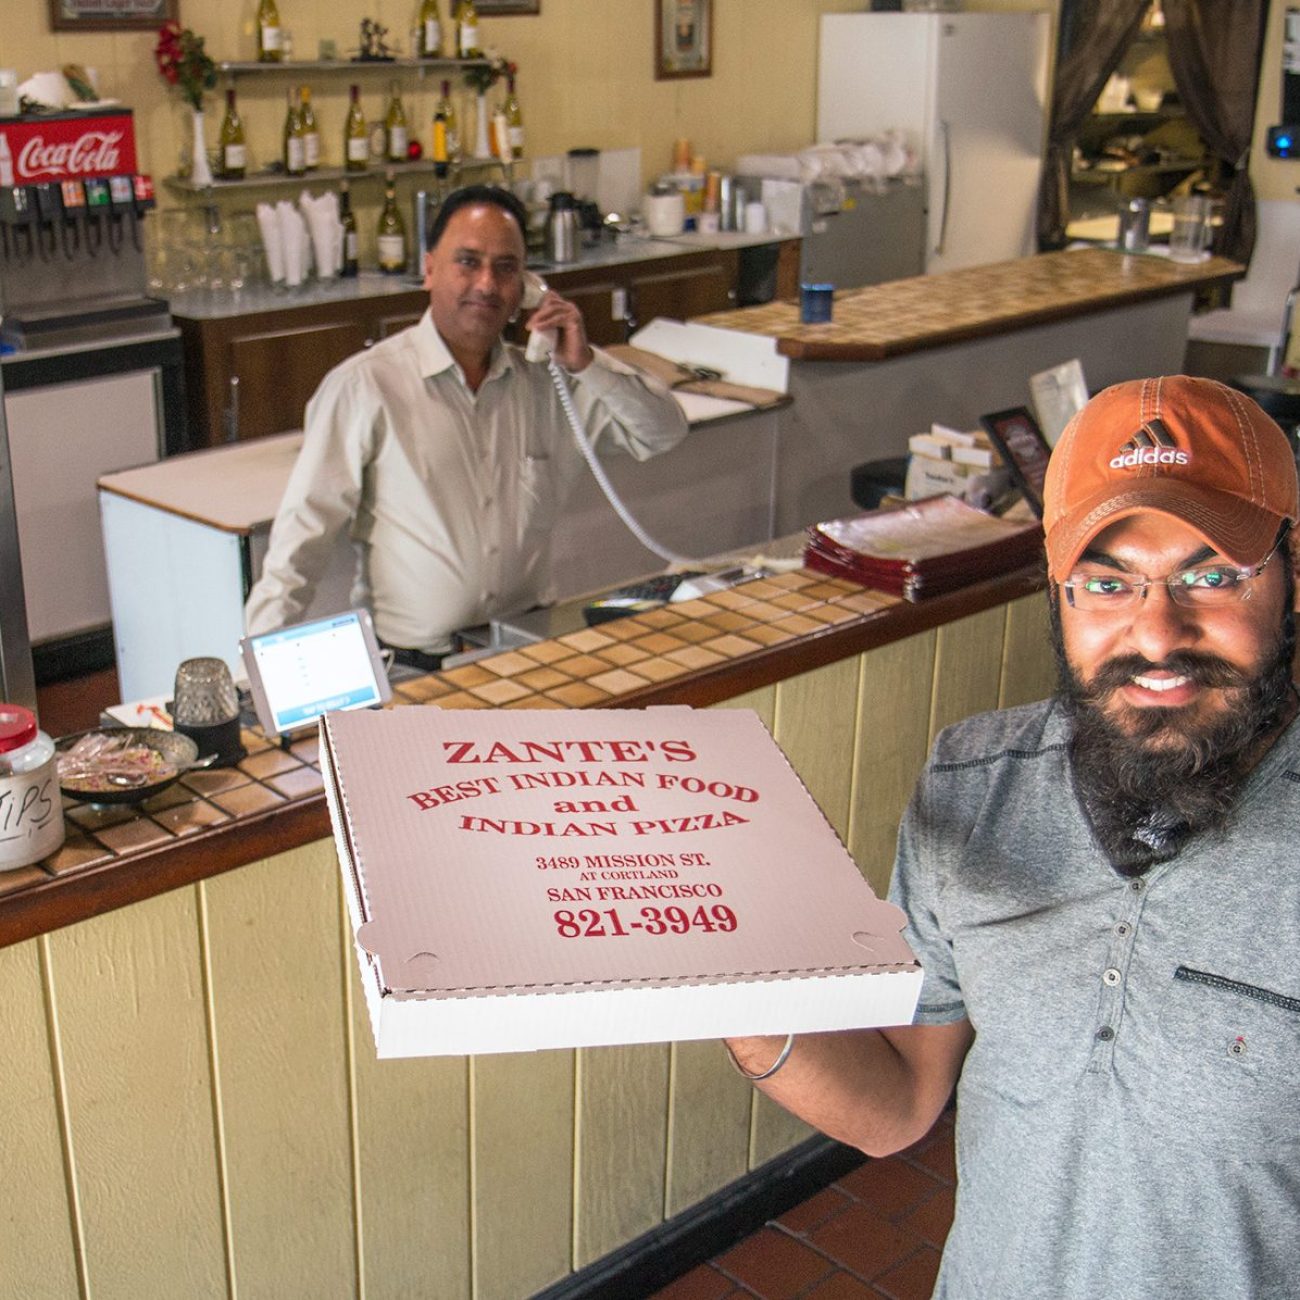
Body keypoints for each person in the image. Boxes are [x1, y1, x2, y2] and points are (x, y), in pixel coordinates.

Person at [726, 376, 1300, 1298]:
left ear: (1292, 571)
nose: (1156, 630)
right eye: (1107, 582)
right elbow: (898, 1107)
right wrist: (728, 988)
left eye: (1211, 575)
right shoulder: (972, 783)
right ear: (1057, 590)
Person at [245, 185, 688, 666]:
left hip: (529, 654)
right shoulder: (367, 387)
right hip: (415, 668)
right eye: (467, 262)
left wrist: (586, 362)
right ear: (429, 269)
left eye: (506, 268)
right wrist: (264, 677)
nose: (486, 284)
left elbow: (663, 432)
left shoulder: (548, 383)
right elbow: (300, 542)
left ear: (526, 286)